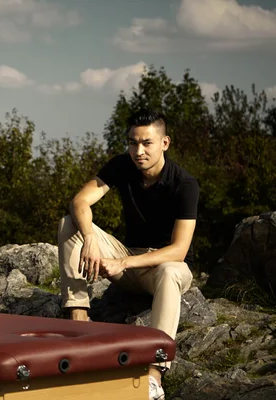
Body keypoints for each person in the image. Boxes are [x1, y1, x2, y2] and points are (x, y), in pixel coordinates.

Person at [57, 109, 199, 400]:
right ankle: (79, 319)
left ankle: (154, 376)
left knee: (171, 270)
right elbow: (80, 201)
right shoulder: (122, 166)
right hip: (128, 262)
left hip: (163, 268)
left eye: (147, 143)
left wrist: (122, 262)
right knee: (69, 223)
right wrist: (89, 239)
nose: (138, 151)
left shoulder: (184, 184)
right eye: (133, 143)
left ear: (165, 143)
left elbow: (179, 250)